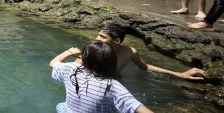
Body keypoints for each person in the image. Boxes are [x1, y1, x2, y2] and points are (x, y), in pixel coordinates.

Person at [50, 41, 163, 113]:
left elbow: (53, 63)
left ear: (83, 59)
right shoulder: (112, 86)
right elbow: (144, 112)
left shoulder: (71, 69)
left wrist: (69, 52)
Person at [70, 22, 206, 80]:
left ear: (117, 41)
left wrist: (179, 74)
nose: (97, 38)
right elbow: (75, 71)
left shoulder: (129, 52)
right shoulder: (94, 49)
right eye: (98, 35)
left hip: (114, 86)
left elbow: (145, 67)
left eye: (102, 36)